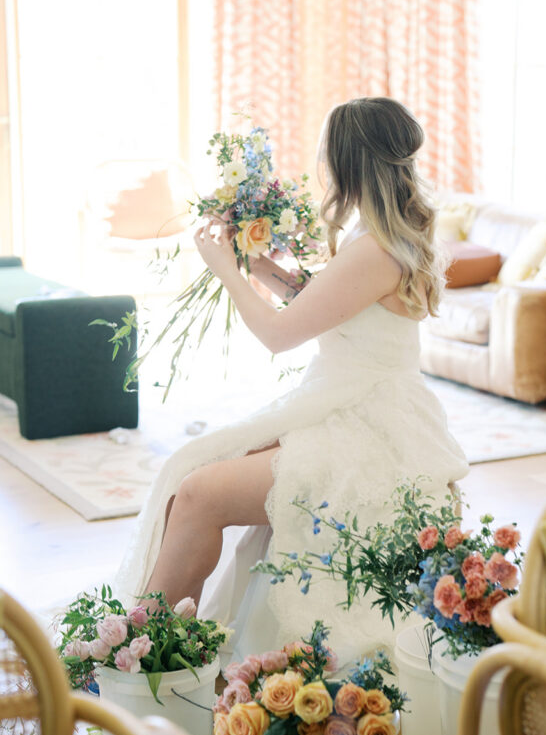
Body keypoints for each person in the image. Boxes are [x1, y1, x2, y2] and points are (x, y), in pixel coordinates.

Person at [114, 96, 469, 665]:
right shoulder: (380, 234)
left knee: (199, 493)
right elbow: (328, 305)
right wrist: (258, 265)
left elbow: (281, 336)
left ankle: (153, 655)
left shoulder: (375, 248)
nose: (323, 163)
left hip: (367, 429)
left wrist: (225, 270)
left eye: (329, 153)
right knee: (196, 475)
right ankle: (153, 647)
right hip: (348, 407)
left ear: (348, 161)